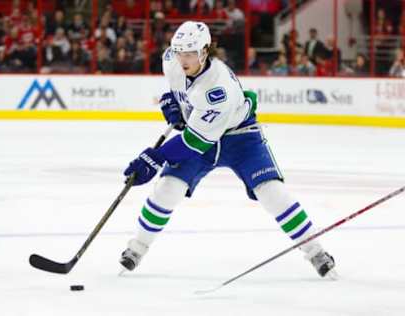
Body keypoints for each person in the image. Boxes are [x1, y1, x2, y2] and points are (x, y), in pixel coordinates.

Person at [119, 21, 337, 279]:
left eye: (190, 53)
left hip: (239, 137)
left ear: (204, 51)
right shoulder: (171, 59)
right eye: (179, 52)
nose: (183, 59)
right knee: (167, 189)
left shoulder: (217, 88)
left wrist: (155, 158)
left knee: (272, 193)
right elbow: (173, 86)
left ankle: (315, 250)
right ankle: (137, 248)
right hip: (202, 133)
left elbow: (195, 141)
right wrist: (171, 101)